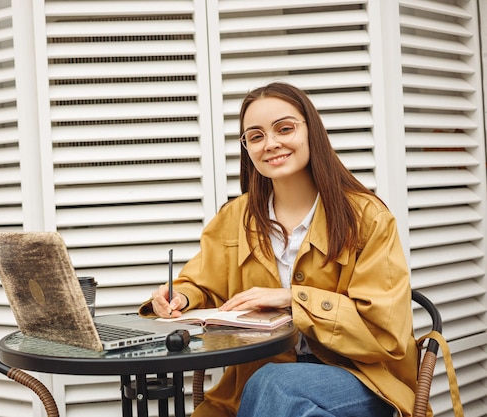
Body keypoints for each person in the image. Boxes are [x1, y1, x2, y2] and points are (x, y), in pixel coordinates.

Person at [139, 81, 419, 417]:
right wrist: (180, 296)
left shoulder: (367, 217)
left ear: (310, 130)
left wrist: (292, 299)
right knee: (276, 393)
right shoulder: (234, 218)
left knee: (274, 384)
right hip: (253, 387)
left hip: (362, 378)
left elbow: (385, 333)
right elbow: (201, 283)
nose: (271, 144)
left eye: (284, 129)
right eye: (255, 137)